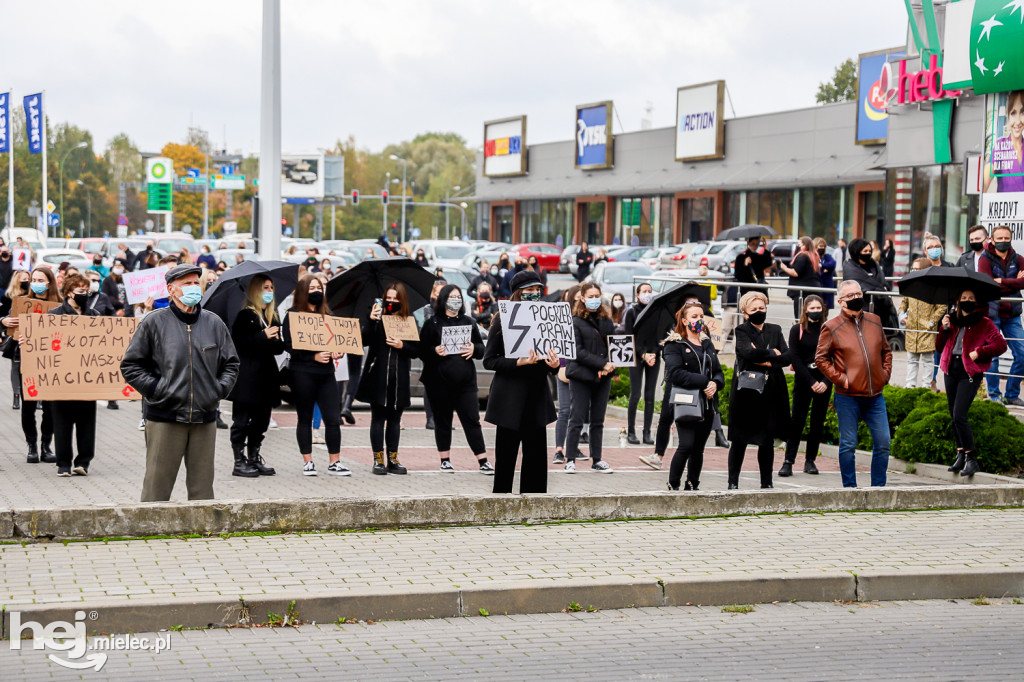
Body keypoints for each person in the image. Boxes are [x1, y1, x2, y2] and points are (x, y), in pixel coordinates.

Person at [121, 264, 240, 502]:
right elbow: (131, 366)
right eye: (187, 284)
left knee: (202, 489)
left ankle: (203, 535)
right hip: (165, 416)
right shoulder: (154, 322)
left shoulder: (213, 323)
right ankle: (152, 533)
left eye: (197, 283)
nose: (194, 288)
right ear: (171, 290)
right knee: (157, 485)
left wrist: (216, 391)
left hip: (204, 417)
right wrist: (158, 389)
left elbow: (231, 364)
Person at [483, 270, 560, 493]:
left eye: (538, 290)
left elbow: (548, 361)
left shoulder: (545, 319)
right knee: (505, 457)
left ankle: (534, 502)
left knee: (535, 458)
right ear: (518, 293)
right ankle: (502, 501)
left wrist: (553, 366)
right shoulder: (502, 319)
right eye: (530, 291)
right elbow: (489, 360)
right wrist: (518, 362)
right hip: (509, 400)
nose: (535, 294)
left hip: (536, 398)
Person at [815, 280, 893, 488]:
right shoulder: (831, 327)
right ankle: (850, 489)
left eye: (858, 293)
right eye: (850, 296)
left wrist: (884, 375)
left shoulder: (875, 321)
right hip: (847, 396)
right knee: (848, 445)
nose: (856, 298)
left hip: (875, 395)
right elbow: (820, 359)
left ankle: (879, 488)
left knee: (884, 442)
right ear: (841, 302)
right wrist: (842, 379)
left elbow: (886, 351)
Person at [419, 284, 493, 473]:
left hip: (465, 383)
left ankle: (483, 460)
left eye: (458, 297)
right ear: (443, 300)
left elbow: (481, 349)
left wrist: (473, 349)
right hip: (439, 383)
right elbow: (421, 351)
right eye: (452, 297)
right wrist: (434, 350)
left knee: (472, 420)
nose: (456, 300)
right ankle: (445, 459)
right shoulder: (432, 323)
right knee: (443, 421)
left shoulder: (469, 322)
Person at [281, 274, 349, 476]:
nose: (316, 291)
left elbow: (339, 341)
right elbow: (289, 345)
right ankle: (308, 461)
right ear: (303, 291)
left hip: (326, 374)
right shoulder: (292, 315)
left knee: (333, 418)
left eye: (318, 287)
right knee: (305, 418)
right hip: (302, 373)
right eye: (311, 288)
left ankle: (334, 461)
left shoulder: (329, 315)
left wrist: (339, 350)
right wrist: (313, 356)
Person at [938, 288, 1008, 477]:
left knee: (960, 414)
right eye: (964, 298)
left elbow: (1001, 345)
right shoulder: (952, 320)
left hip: (969, 372)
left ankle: (972, 459)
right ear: (958, 301)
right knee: (953, 416)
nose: (967, 301)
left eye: (971, 298)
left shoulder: (984, 323)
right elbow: (938, 346)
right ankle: (960, 453)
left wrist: (980, 351)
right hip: (950, 369)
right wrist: (943, 327)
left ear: (976, 302)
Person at [728, 291, 791, 489]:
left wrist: (764, 360)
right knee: (740, 439)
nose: (759, 312)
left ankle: (767, 483)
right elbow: (747, 352)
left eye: (762, 308)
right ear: (745, 312)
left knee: (767, 439)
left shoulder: (775, 329)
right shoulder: (741, 330)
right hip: (747, 392)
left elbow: (787, 357)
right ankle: (732, 483)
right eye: (754, 309)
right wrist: (773, 353)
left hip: (771, 392)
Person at [357, 281, 419, 475]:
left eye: (395, 298)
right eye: (389, 298)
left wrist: (402, 345)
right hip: (378, 376)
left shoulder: (409, 320)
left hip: (398, 377)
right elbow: (364, 340)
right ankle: (378, 459)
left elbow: (416, 350)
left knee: (395, 419)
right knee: (378, 418)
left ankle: (393, 458)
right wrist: (371, 320)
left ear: (402, 300)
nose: (392, 302)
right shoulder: (377, 317)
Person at [228, 275, 286, 478]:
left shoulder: (272, 316)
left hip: (266, 377)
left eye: (271, 287)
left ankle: (253, 456)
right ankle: (239, 459)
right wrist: (262, 336)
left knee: (262, 421)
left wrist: (277, 338)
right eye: (265, 287)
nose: (269, 291)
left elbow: (279, 349)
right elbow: (239, 344)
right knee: (242, 420)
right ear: (255, 290)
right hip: (247, 377)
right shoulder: (245, 315)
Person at [663, 301, 724, 491]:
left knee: (698, 448)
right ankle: (673, 483)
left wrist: (715, 383)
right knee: (686, 445)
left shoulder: (707, 343)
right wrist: (704, 381)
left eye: (701, 316)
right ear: (684, 320)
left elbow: (718, 371)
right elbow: (675, 373)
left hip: (707, 403)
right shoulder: (675, 344)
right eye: (694, 317)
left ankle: (693, 483)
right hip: (687, 402)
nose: (699, 320)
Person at [2, 268, 61, 461]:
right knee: (28, 405)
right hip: (26, 358)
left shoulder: (59, 304)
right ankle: (32, 446)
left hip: (52, 361)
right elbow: (7, 321)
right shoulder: (22, 302)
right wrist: (5, 321)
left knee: (50, 407)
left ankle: (46, 446)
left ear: (49, 282)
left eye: (40, 279)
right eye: (33, 279)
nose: (35, 283)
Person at [46, 274, 99, 477]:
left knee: (87, 423)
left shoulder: (94, 315)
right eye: (80, 292)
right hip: (61, 379)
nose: (84, 295)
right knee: (62, 422)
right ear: (69, 292)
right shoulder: (54, 315)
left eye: (87, 291)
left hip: (87, 378)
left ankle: (83, 462)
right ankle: (63, 463)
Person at [563, 282, 616, 473]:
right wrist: (601, 364)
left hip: (602, 377)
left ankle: (597, 459)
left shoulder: (606, 321)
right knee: (576, 418)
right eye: (591, 296)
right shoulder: (574, 321)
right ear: (582, 298)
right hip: (581, 376)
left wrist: (609, 365)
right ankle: (570, 459)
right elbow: (577, 351)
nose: (595, 300)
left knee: (597, 421)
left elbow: (614, 347)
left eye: (597, 296)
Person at [780, 295, 832, 477]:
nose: (816, 311)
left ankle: (810, 461)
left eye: (819, 308)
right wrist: (811, 381)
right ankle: (788, 461)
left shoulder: (829, 330)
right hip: (804, 380)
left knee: (817, 423)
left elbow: (836, 358)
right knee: (797, 422)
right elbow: (795, 357)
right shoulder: (797, 330)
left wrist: (826, 381)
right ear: (805, 310)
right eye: (812, 308)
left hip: (824, 380)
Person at [977, 225, 1024, 405]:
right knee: (993, 356)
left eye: (1006, 238)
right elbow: (988, 285)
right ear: (992, 240)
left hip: (1012, 315)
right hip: (992, 314)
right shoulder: (984, 259)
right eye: (1000, 238)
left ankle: (1012, 395)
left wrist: (1002, 282)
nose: (1003, 241)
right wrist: (1015, 282)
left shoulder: (1018, 259)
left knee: (1022, 354)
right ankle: (995, 395)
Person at [899, 258, 946, 389]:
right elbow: (904, 303)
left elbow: (942, 306)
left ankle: (926, 386)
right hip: (911, 328)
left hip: (927, 330)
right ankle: (910, 385)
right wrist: (902, 315)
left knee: (928, 360)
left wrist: (931, 322)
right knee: (911, 359)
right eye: (913, 268)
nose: (914, 271)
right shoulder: (910, 285)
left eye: (917, 269)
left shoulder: (934, 287)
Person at [623, 282, 657, 445]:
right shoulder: (632, 312)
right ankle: (631, 431)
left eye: (649, 291)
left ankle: (647, 432)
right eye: (644, 291)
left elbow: (661, 335)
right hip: (637, 356)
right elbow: (629, 337)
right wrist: (643, 353)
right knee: (635, 394)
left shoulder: (656, 312)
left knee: (649, 396)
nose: (647, 294)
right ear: (637, 294)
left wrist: (654, 353)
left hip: (653, 357)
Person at [842, 238, 895, 329]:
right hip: (862, 308)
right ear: (857, 252)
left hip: (879, 307)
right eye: (865, 251)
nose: (868, 253)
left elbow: (882, 283)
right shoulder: (850, 268)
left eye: (870, 251)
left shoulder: (874, 265)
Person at [1, 270, 30, 409]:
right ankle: (16, 395)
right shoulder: (8, 297)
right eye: (23, 279)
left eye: (28, 278)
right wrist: (4, 320)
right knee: (16, 367)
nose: (26, 281)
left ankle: (36, 396)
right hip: (15, 338)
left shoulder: (34, 297)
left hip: (32, 337)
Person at [984, 90, 1024, 193]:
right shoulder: (1001, 146)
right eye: (1013, 113)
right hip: (1007, 208)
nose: (1018, 121)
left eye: (1022, 112)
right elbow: (983, 185)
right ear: (1008, 117)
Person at [778, 236, 821, 319]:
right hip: (813, 288)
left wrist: (784, 268)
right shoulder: (814, 255)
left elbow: (796, 272)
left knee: (800, 316)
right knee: (811, 316)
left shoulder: (803, 256)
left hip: (802, 290)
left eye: (800, 244)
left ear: (805, 245)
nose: (798, 246)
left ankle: (801, 330)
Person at [814, 237, 836, 309]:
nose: (822, 248)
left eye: (823, 246)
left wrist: (822, 266)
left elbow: (832, 264)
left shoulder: (827, 257)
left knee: (826, 308)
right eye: (820, 246)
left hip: (827, 286)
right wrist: (824, 269)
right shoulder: (813, 257)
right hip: (817, 286)